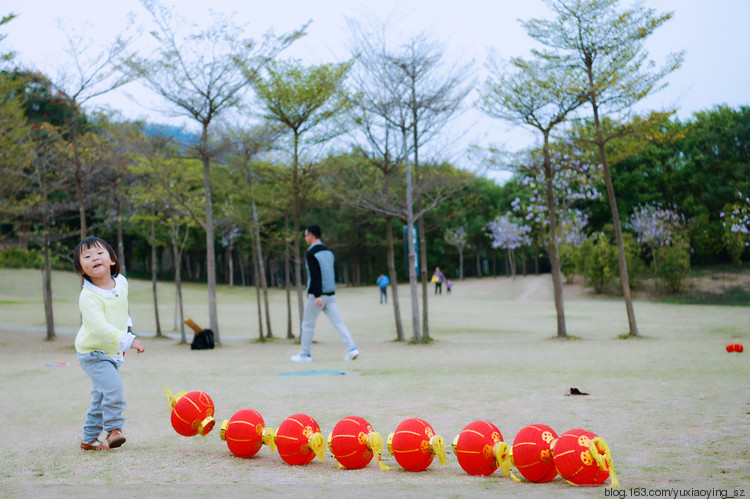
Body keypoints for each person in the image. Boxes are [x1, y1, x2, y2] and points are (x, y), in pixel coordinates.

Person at [73, 236, 145, 451]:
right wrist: (128, 340)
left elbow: (123, 310)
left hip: (111, 352)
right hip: (93, 353)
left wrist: (128, 329)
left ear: (112, 259)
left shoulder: (121, 282)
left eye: (99, 253)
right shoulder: (88, 296)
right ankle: (114, 430)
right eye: (87, 256)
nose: (95, 258)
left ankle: (89, 439)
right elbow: (99, 328)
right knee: (113, 388)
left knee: (101, 396)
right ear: (81, 270)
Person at [291, 225, 359, 362]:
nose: (305, 238)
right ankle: (352, 348)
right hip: (331, 294)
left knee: (307, 324)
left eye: (305, 235)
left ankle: (305, 354)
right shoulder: (329, 252)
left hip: (317, 295)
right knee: (338, 322)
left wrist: (316, 296)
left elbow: (315, 275)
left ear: (311, 235)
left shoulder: (311, 253)